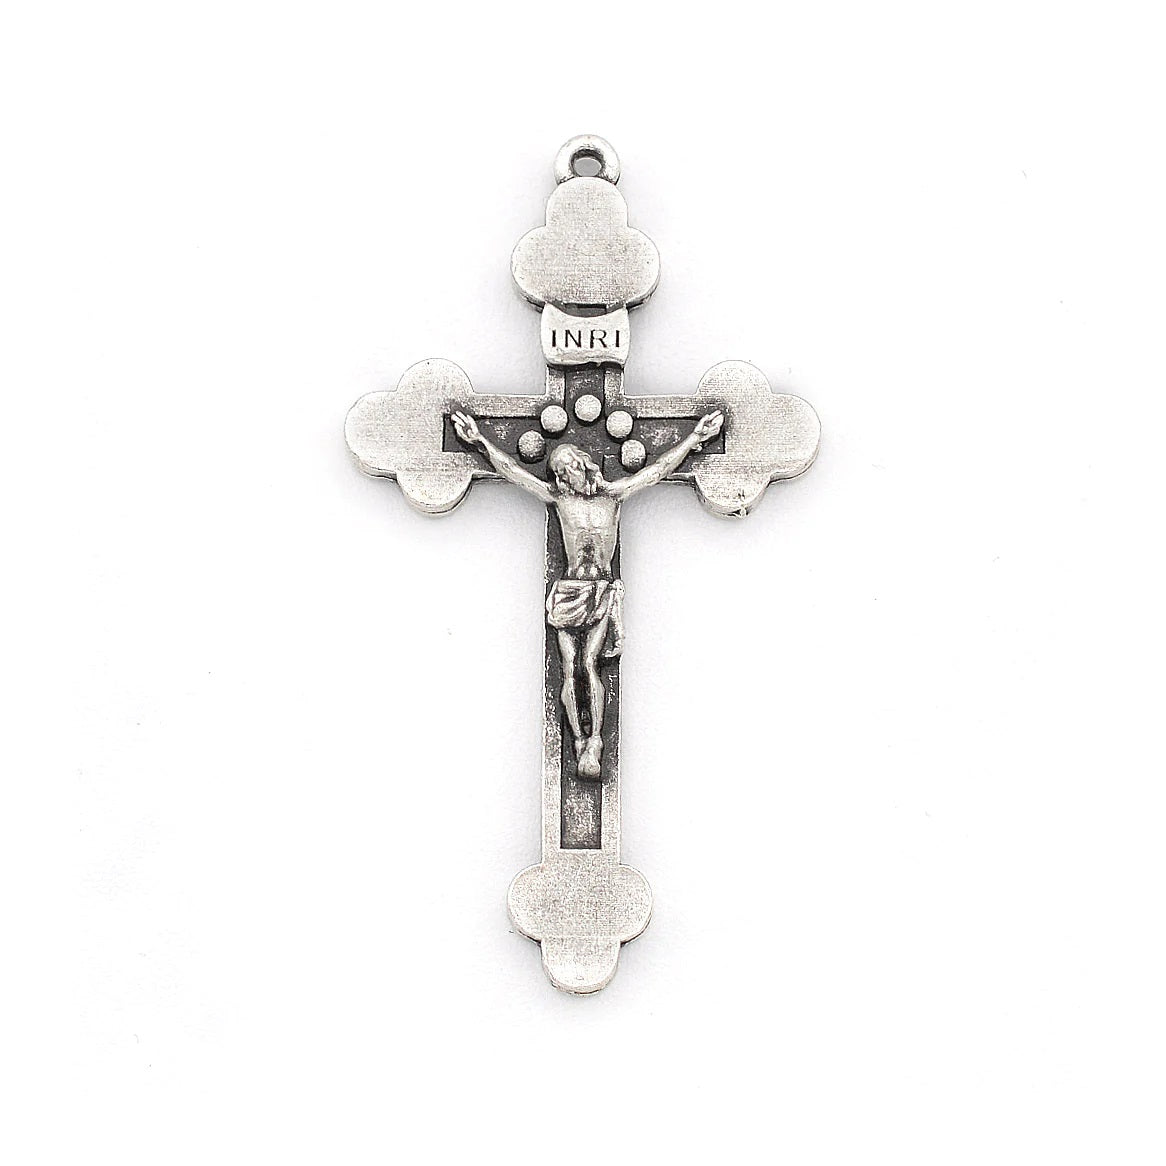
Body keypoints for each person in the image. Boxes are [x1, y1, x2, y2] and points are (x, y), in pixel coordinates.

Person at [452, 407, 724, 777]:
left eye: (570, 468)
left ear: (583, 464)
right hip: (568, 593)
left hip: (600, 592)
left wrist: (695, 438)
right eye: (560, 472)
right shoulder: (560, 500)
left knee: (589, 662)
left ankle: (595, 739)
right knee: (568, 668)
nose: (566, 476)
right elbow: (514, 471)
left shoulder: (613, 496)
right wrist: (479, 441)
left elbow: (657, 470)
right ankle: (578, 740)